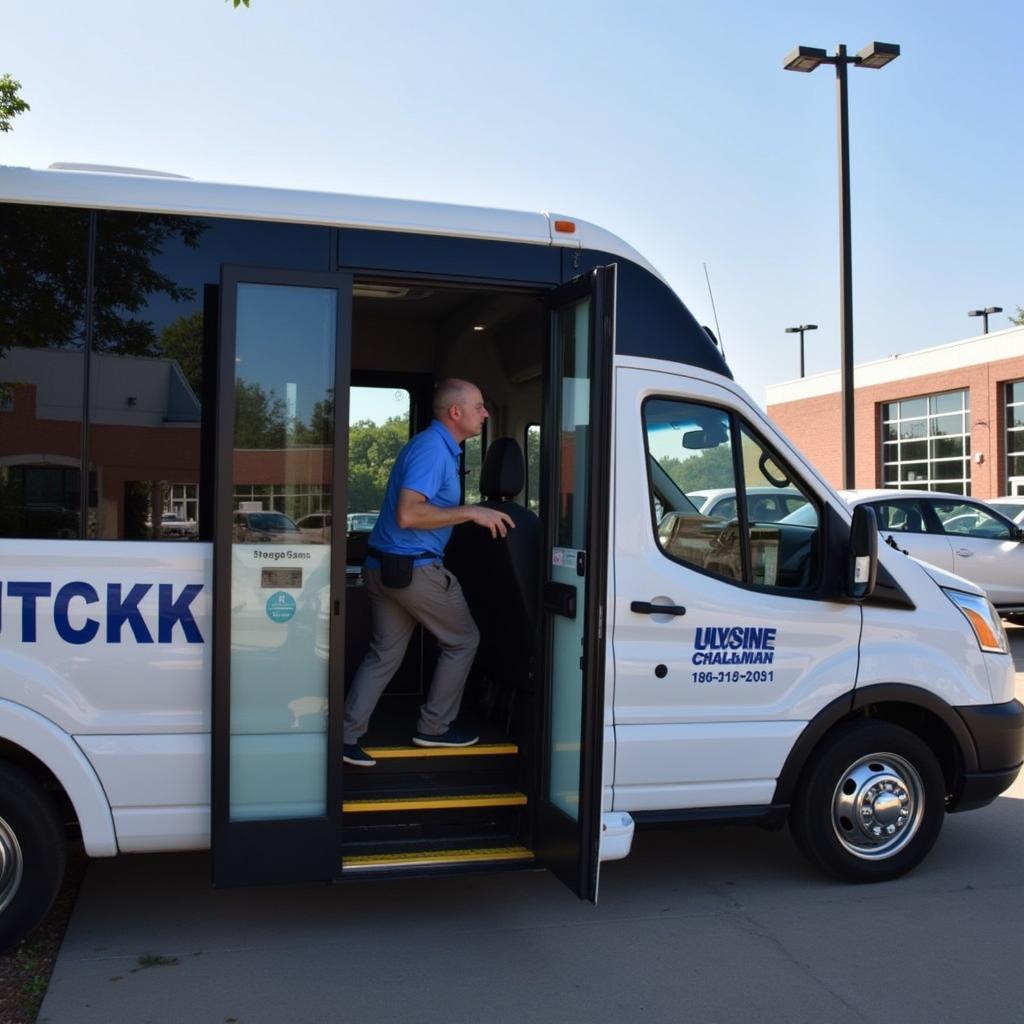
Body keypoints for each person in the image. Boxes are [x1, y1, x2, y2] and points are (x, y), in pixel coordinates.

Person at [342, 378, 515, 767]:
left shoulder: (437, 448)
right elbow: (409, 513)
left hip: (387, 568)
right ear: (456, 412)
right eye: (479, 406)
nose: (485, 413)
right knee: (464, 640)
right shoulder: (433, 451)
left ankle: (345, 735)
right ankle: (434, 727)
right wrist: (472, 511)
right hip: (415, 570)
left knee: (384, 654)